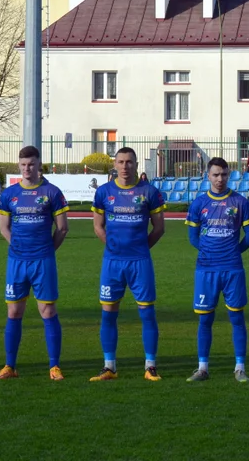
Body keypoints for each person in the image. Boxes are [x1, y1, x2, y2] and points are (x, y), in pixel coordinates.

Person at [0, 146, 70, 381]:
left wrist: (46, 250)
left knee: (48, 311)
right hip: (17, 261)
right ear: (19, 165)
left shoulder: (51, 192)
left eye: (32, 164)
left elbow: (62, 228)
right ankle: (9, 366)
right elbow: (3, 227)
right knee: (14, 311)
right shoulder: (9, 194)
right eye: (24, 164)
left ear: (39, 165)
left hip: (42, 261)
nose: (27, 168)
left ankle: (54, 366)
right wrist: (17, 245)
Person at [90, 147, 166, 382]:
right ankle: (109, 366)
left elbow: (159, 228)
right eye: (121, 162)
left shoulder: (149, 192)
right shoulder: (104, 192)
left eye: (130, 162)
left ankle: (150, 366)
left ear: (136, 165)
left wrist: (140, 248)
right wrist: (113, 246)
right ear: (115, 164)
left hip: (139, 262)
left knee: (147, 313)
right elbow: (98, 226)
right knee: (108, 314)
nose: (125, 166)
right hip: (112, 262)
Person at [186, 157, 249, 382]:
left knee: (237, 318)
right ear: (208, 176)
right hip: (206, 270)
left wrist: (233, 252)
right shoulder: (199, 203)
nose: (220, 179)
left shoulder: (240, 202)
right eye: (215, 174)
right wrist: (208, 252)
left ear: (229, 175)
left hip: (232, 269)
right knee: (205, 320)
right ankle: (202, 368)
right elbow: (192, 237)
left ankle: (240, 368)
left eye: (224, 174)